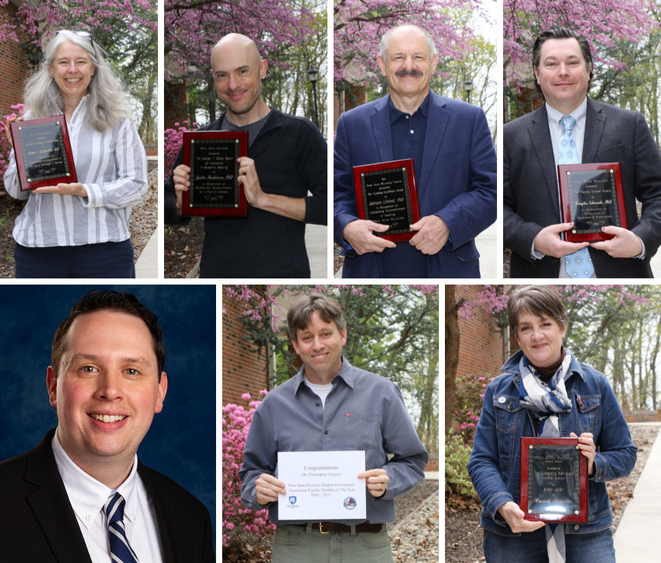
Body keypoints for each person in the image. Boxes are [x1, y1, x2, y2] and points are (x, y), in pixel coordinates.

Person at [0, 290, 215, 562]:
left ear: (160, 392)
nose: (110, 390)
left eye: (131, 371)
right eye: (88, 368)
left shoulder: (192, 519)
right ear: (53, 387)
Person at [239, 294, 429, 562]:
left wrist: (389, 481)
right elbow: (251, 472)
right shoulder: (273, 404)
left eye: (325, 333)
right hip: (296, 546)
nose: (317, 345)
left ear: (343, 335)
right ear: (295, 344)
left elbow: (413, 460)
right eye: (307, 337)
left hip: (365, 545)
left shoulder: (382, 393)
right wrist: (257, 491)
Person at [467, 285, 637, 563]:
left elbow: (626, 455)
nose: (537, 336)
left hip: (586, 531)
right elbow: (481, 461)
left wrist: (593, 463)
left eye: (545, 324)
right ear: (517, 336)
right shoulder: (498, 391)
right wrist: (502, 504)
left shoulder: (595, 385)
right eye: (526, 327)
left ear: (562, 327)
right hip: (513, 533)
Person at [334, 24, 497, 278]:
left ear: (433, 63)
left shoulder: (469, 119)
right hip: (370, 271)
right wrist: (347, 226)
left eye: (418, 57)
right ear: (381, 63)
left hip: (449, 269)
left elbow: (490, 192)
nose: (408, 66)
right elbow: (336, 193)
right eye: (398, 57)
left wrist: (448, 223)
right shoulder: (351, 124)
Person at [165, 33, 327, 278]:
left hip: (280, 277)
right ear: (213, 78)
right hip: (215, 277)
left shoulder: (299, 133)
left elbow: (331, 206)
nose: (232, 85)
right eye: (222, 75)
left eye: (242, 71)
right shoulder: (202, 140)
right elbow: (168, 207)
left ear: (262, 69)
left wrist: (262, 198)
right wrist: (181, 203)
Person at [504, 27, 661, 278]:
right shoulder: (510, 136)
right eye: (551, 63)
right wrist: (532, 238)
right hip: (541, 272)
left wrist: (641, 241)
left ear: (588, 70)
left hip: (621, 270)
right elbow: (496, 206)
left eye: (573, 62)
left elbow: (658, 193)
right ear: (536, 72)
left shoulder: (629, 125)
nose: (563, 71)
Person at [3, 31, 148, 278]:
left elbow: (136, 185)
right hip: (38, 253)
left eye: (81, 61)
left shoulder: (117, 120)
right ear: (51, 69)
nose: (72, 69)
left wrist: (84, 191)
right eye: (63, 62)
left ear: (93, 68)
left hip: (104, 251)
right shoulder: (31, 121)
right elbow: (16, 191)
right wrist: (19, 153)